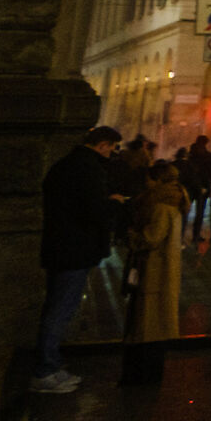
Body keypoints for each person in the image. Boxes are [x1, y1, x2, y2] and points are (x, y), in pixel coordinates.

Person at [33, 125, 126, 394]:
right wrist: (115, 203)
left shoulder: (64, 165)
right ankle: (45, 370)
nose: (111, 154)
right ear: (104, 145)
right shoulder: (89, 169)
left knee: (55, 306)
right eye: (112, 148)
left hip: (58, 244)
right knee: (60, 310)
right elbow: (94, 211)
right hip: (75, 248)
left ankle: (51, 364)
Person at [121, 162, 188, 386]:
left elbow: (151, 238)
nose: (145, 184)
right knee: (153, 323)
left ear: (158, 180)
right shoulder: (172, 200)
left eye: (149, 179)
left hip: (154, 271)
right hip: (161, 271)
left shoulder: (160, 206)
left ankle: (145, 378)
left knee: (149, 324)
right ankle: (148, 375)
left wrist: (131, 234)